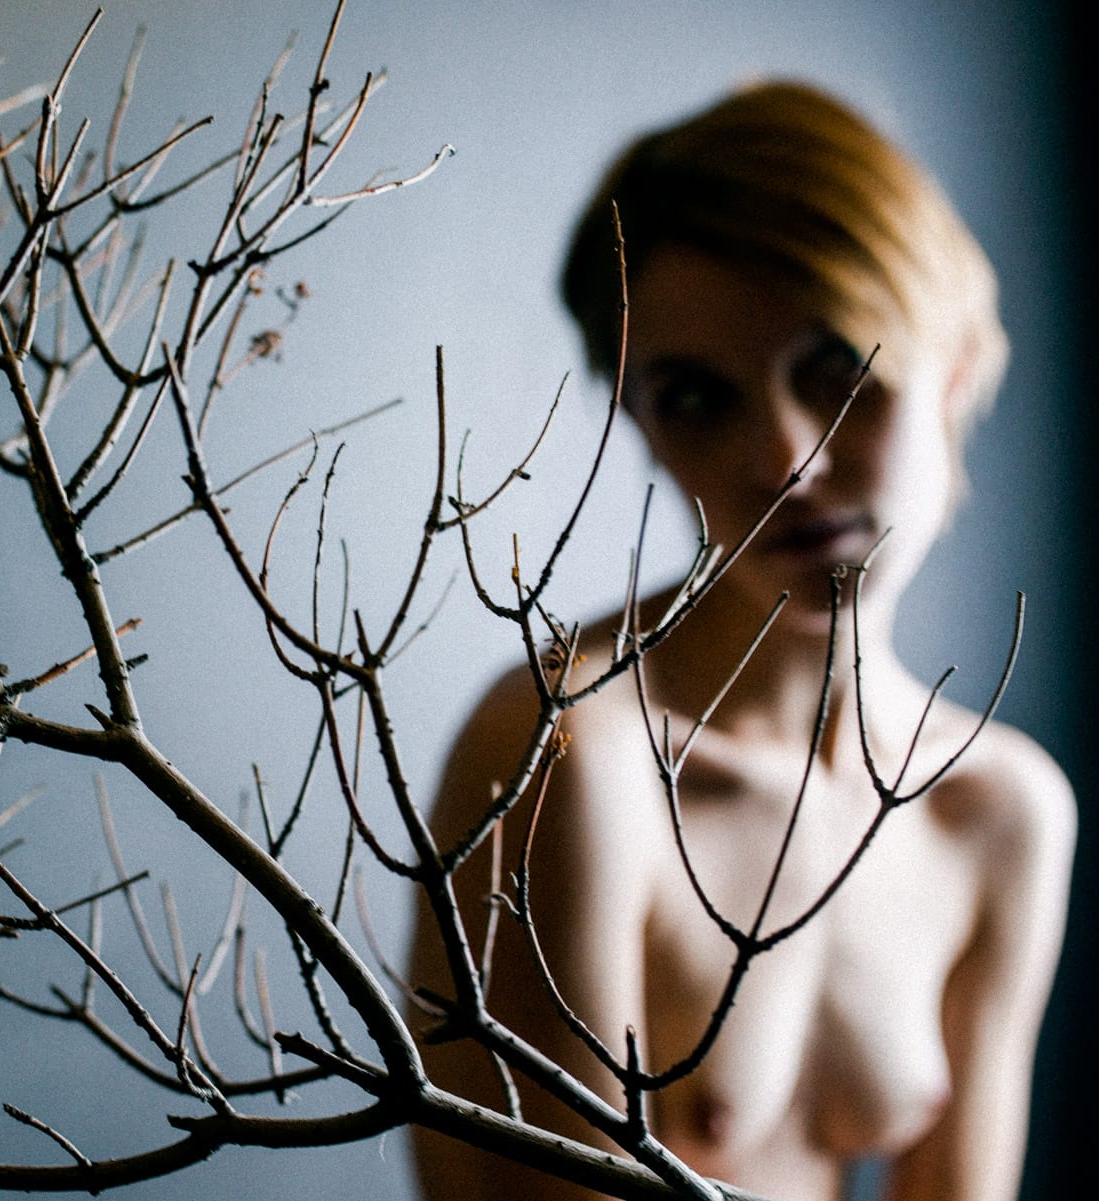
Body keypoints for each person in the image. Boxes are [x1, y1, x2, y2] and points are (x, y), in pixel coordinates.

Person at [410, 81, 1074, 1201]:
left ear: (953, 365)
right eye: (698, 398)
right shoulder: (571, 752)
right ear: (639, 426)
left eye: (837, 370)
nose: (785, 460)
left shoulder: (997, 811)